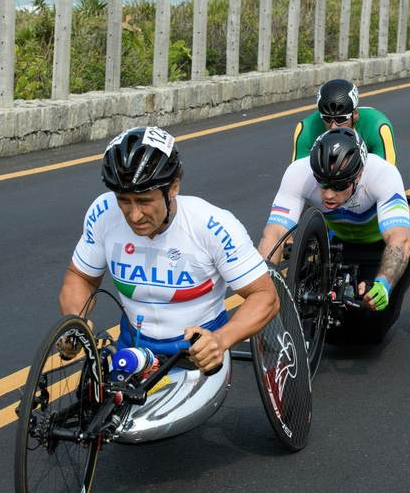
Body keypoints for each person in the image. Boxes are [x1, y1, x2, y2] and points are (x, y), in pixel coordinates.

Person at [60, 126, 279, 375]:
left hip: (194, 352)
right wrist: (74, 319)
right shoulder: (103, 213)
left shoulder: (212, 225)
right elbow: (80, 277)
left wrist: (220, 340)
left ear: (173, 187)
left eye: (144, 201)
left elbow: (265, 296)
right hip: (133, 348)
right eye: (123, 199)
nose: (134, 214)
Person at [258, 128, 410, 343]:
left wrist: (383, 284)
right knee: (325, 332)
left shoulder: (383, 174)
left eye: (339, 185)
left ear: (358, 174)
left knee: (369, 333)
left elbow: (399, 239)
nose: (328, 194)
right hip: (340, 243)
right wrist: (262, 288)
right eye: (322, 183)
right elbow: (275, 234)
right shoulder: (299, 173)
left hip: (380, 246)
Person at [291, 78, 396, 164]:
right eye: (327, 118)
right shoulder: (306, 129)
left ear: (355, 114)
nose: (333, 127)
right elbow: (297, 177)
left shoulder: (378, 127)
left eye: (341, 119)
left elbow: (387, 175)